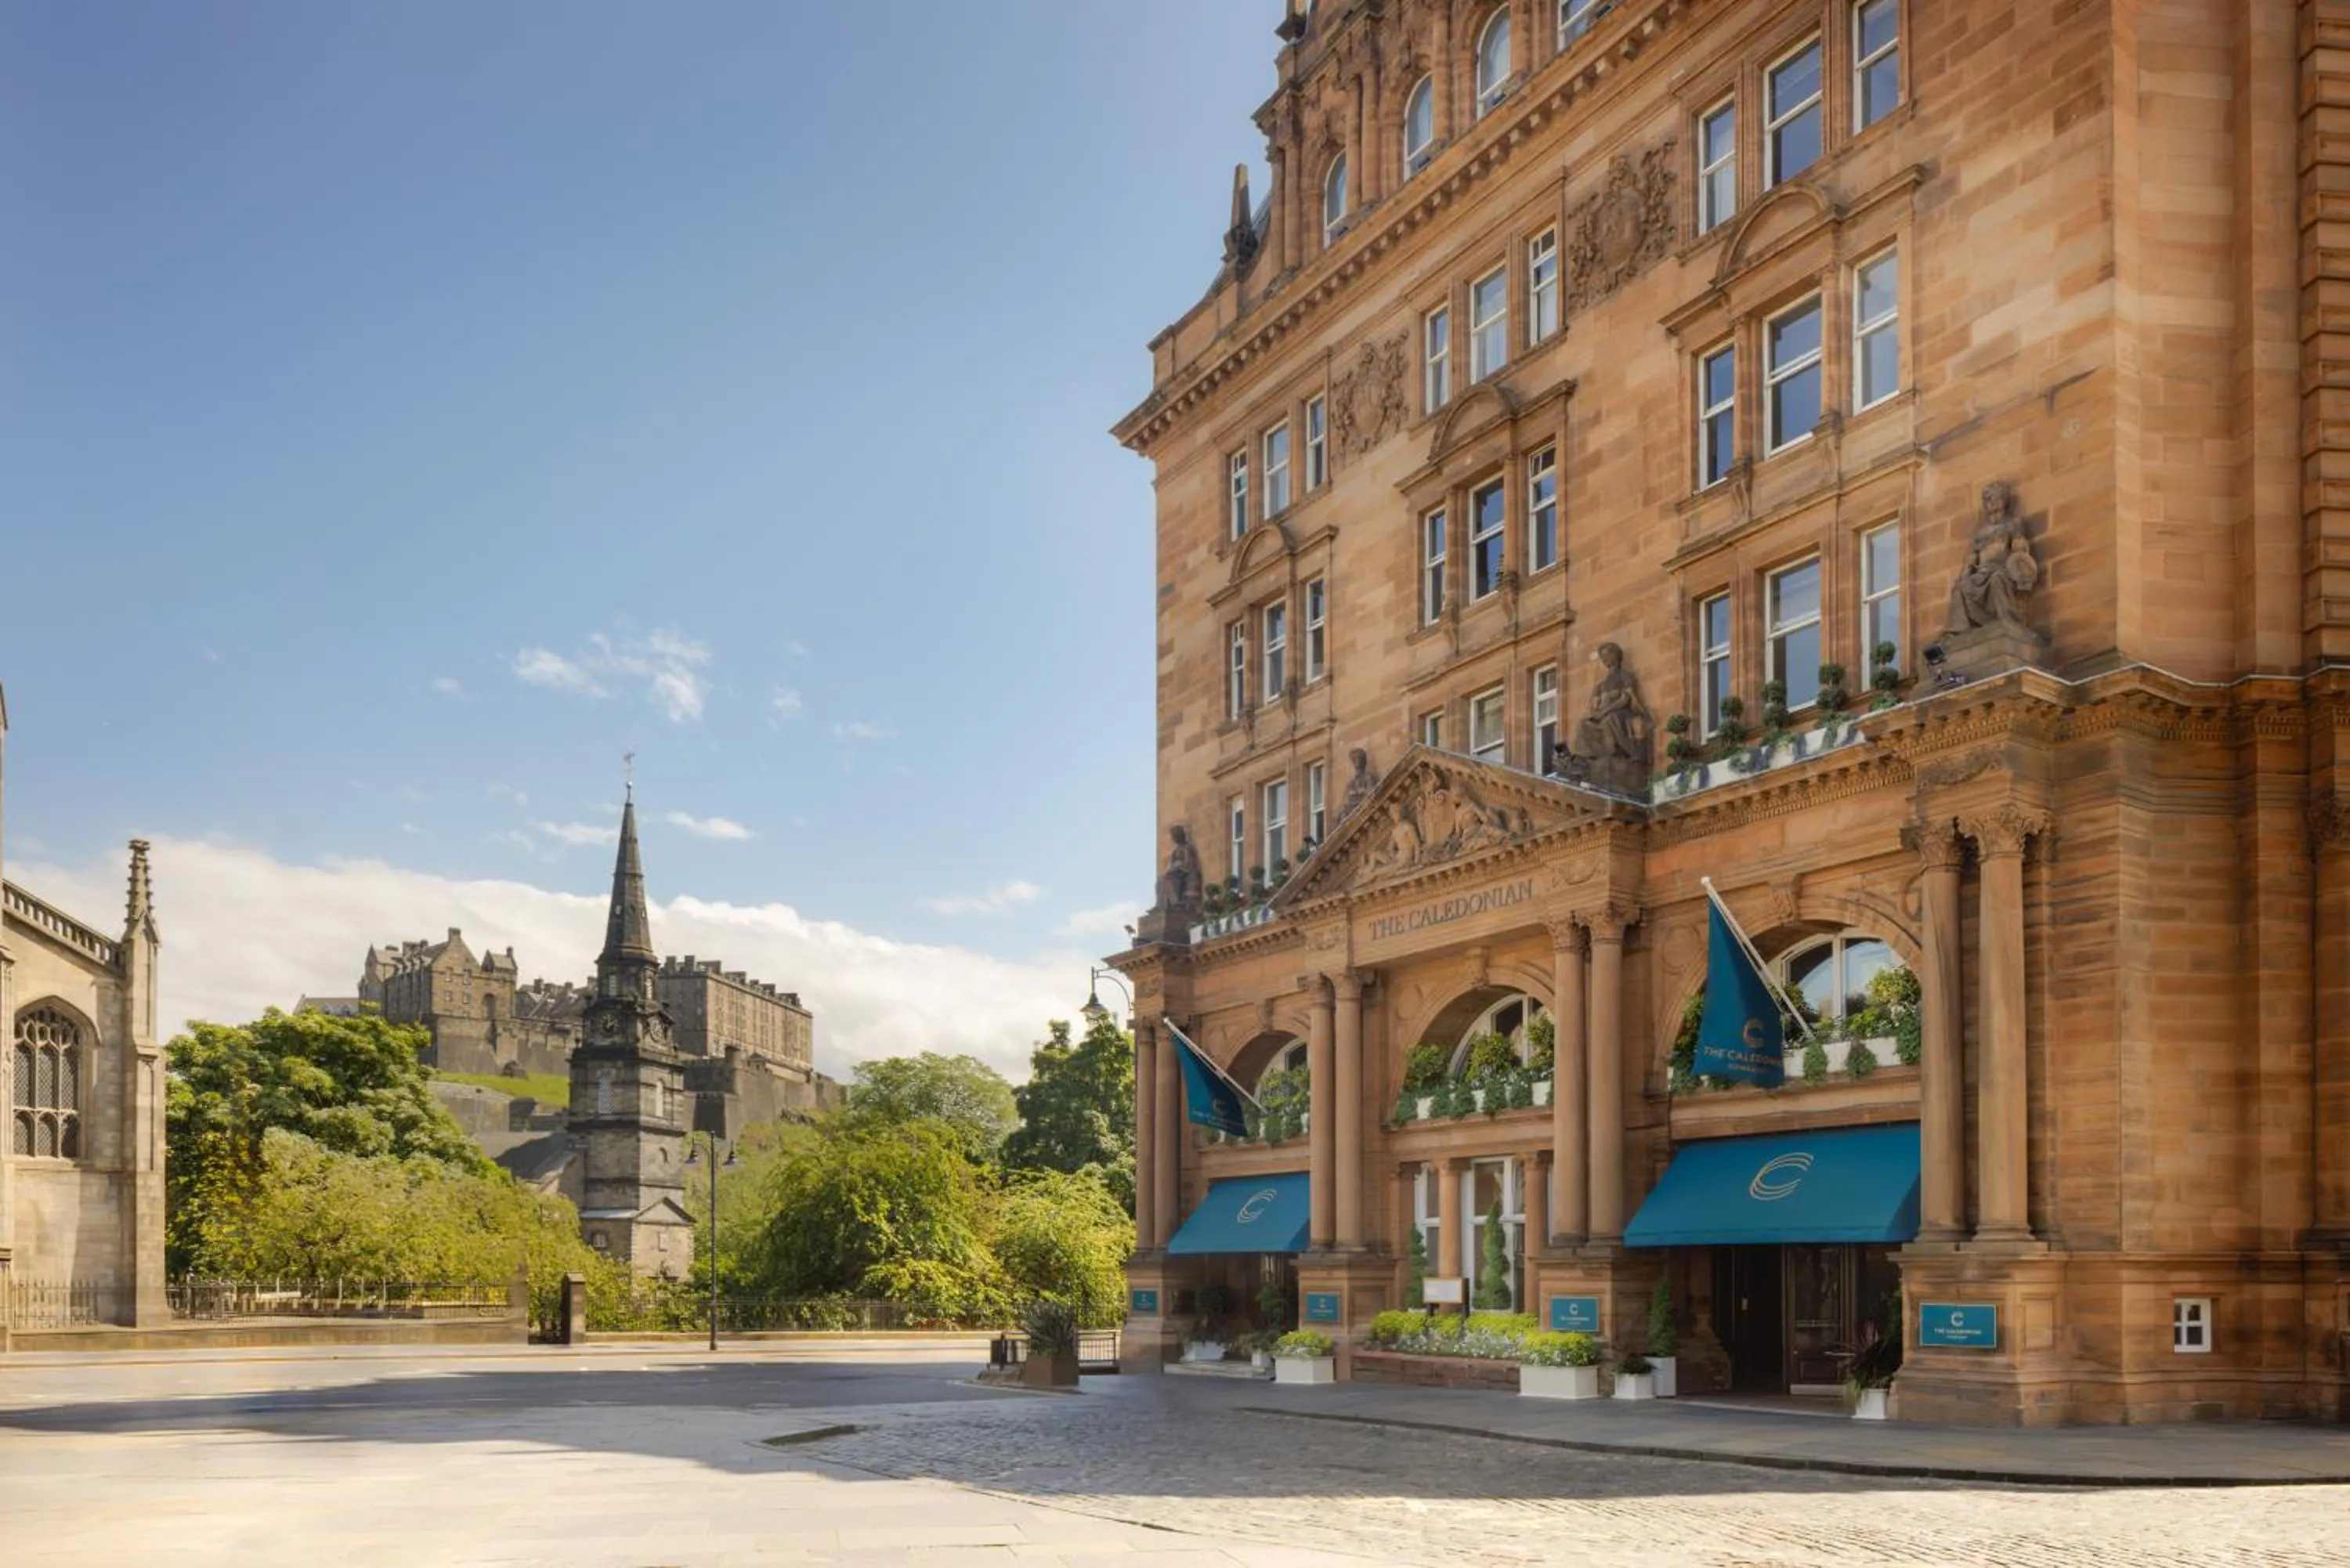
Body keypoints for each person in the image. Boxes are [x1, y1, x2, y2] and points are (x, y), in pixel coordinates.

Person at [1947, 481, 2039, 632]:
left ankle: (2006, 620)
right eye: (1987, 499)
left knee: (1997, 580)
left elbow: (2018, 548)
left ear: (2003, 500)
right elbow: (1973, 557)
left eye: (1993, 498)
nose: (1990, 502)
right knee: (1961, 588)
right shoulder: (1981, 533)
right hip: (1981, 571)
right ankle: (1958, 630)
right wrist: (1966, 572)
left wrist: (2019, 549)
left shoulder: (2013, 524)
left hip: (2001, 569)